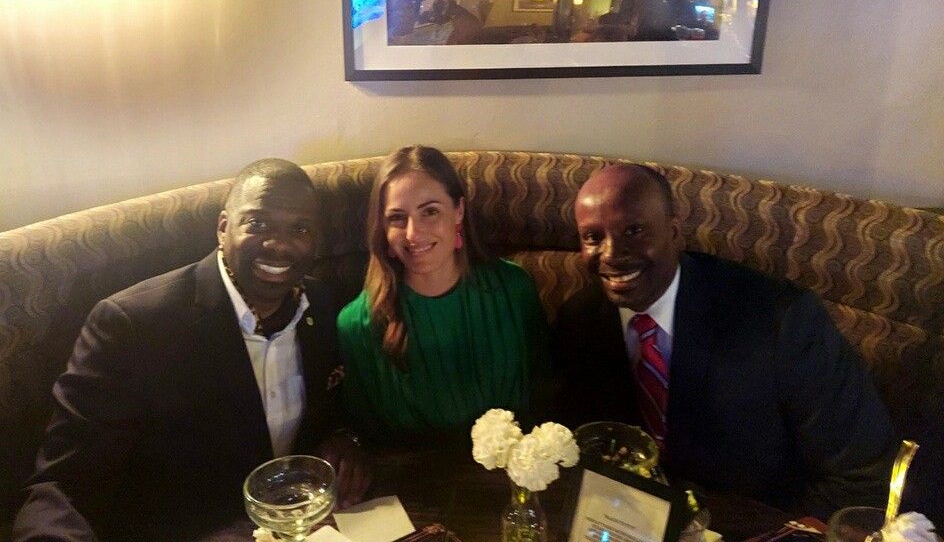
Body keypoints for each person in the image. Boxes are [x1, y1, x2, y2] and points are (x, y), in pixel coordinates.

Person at [13, 159, 370, 542]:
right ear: (222, 228)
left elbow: (335, 411)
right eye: (257, 224)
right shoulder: (132, 326)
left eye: (299, 229)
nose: (278, 244)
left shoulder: (319, 303)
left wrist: (347, 440)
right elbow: (62, 486)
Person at [555, 163, 895, 518]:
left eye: (634, 230)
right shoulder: (581, 321)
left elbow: (864, 479)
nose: (610, 253)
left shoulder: (782, 321)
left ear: (674, 232)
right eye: (593, 237)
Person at [337, 145, 550, 446]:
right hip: (414, 486)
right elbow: (368, 439)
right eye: (397, 218)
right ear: (382, 229)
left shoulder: (514, 289)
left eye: (430, 211)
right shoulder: (356, 325)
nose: (413, 233)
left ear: (459, 210)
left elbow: (547, 392)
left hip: (515, 478)